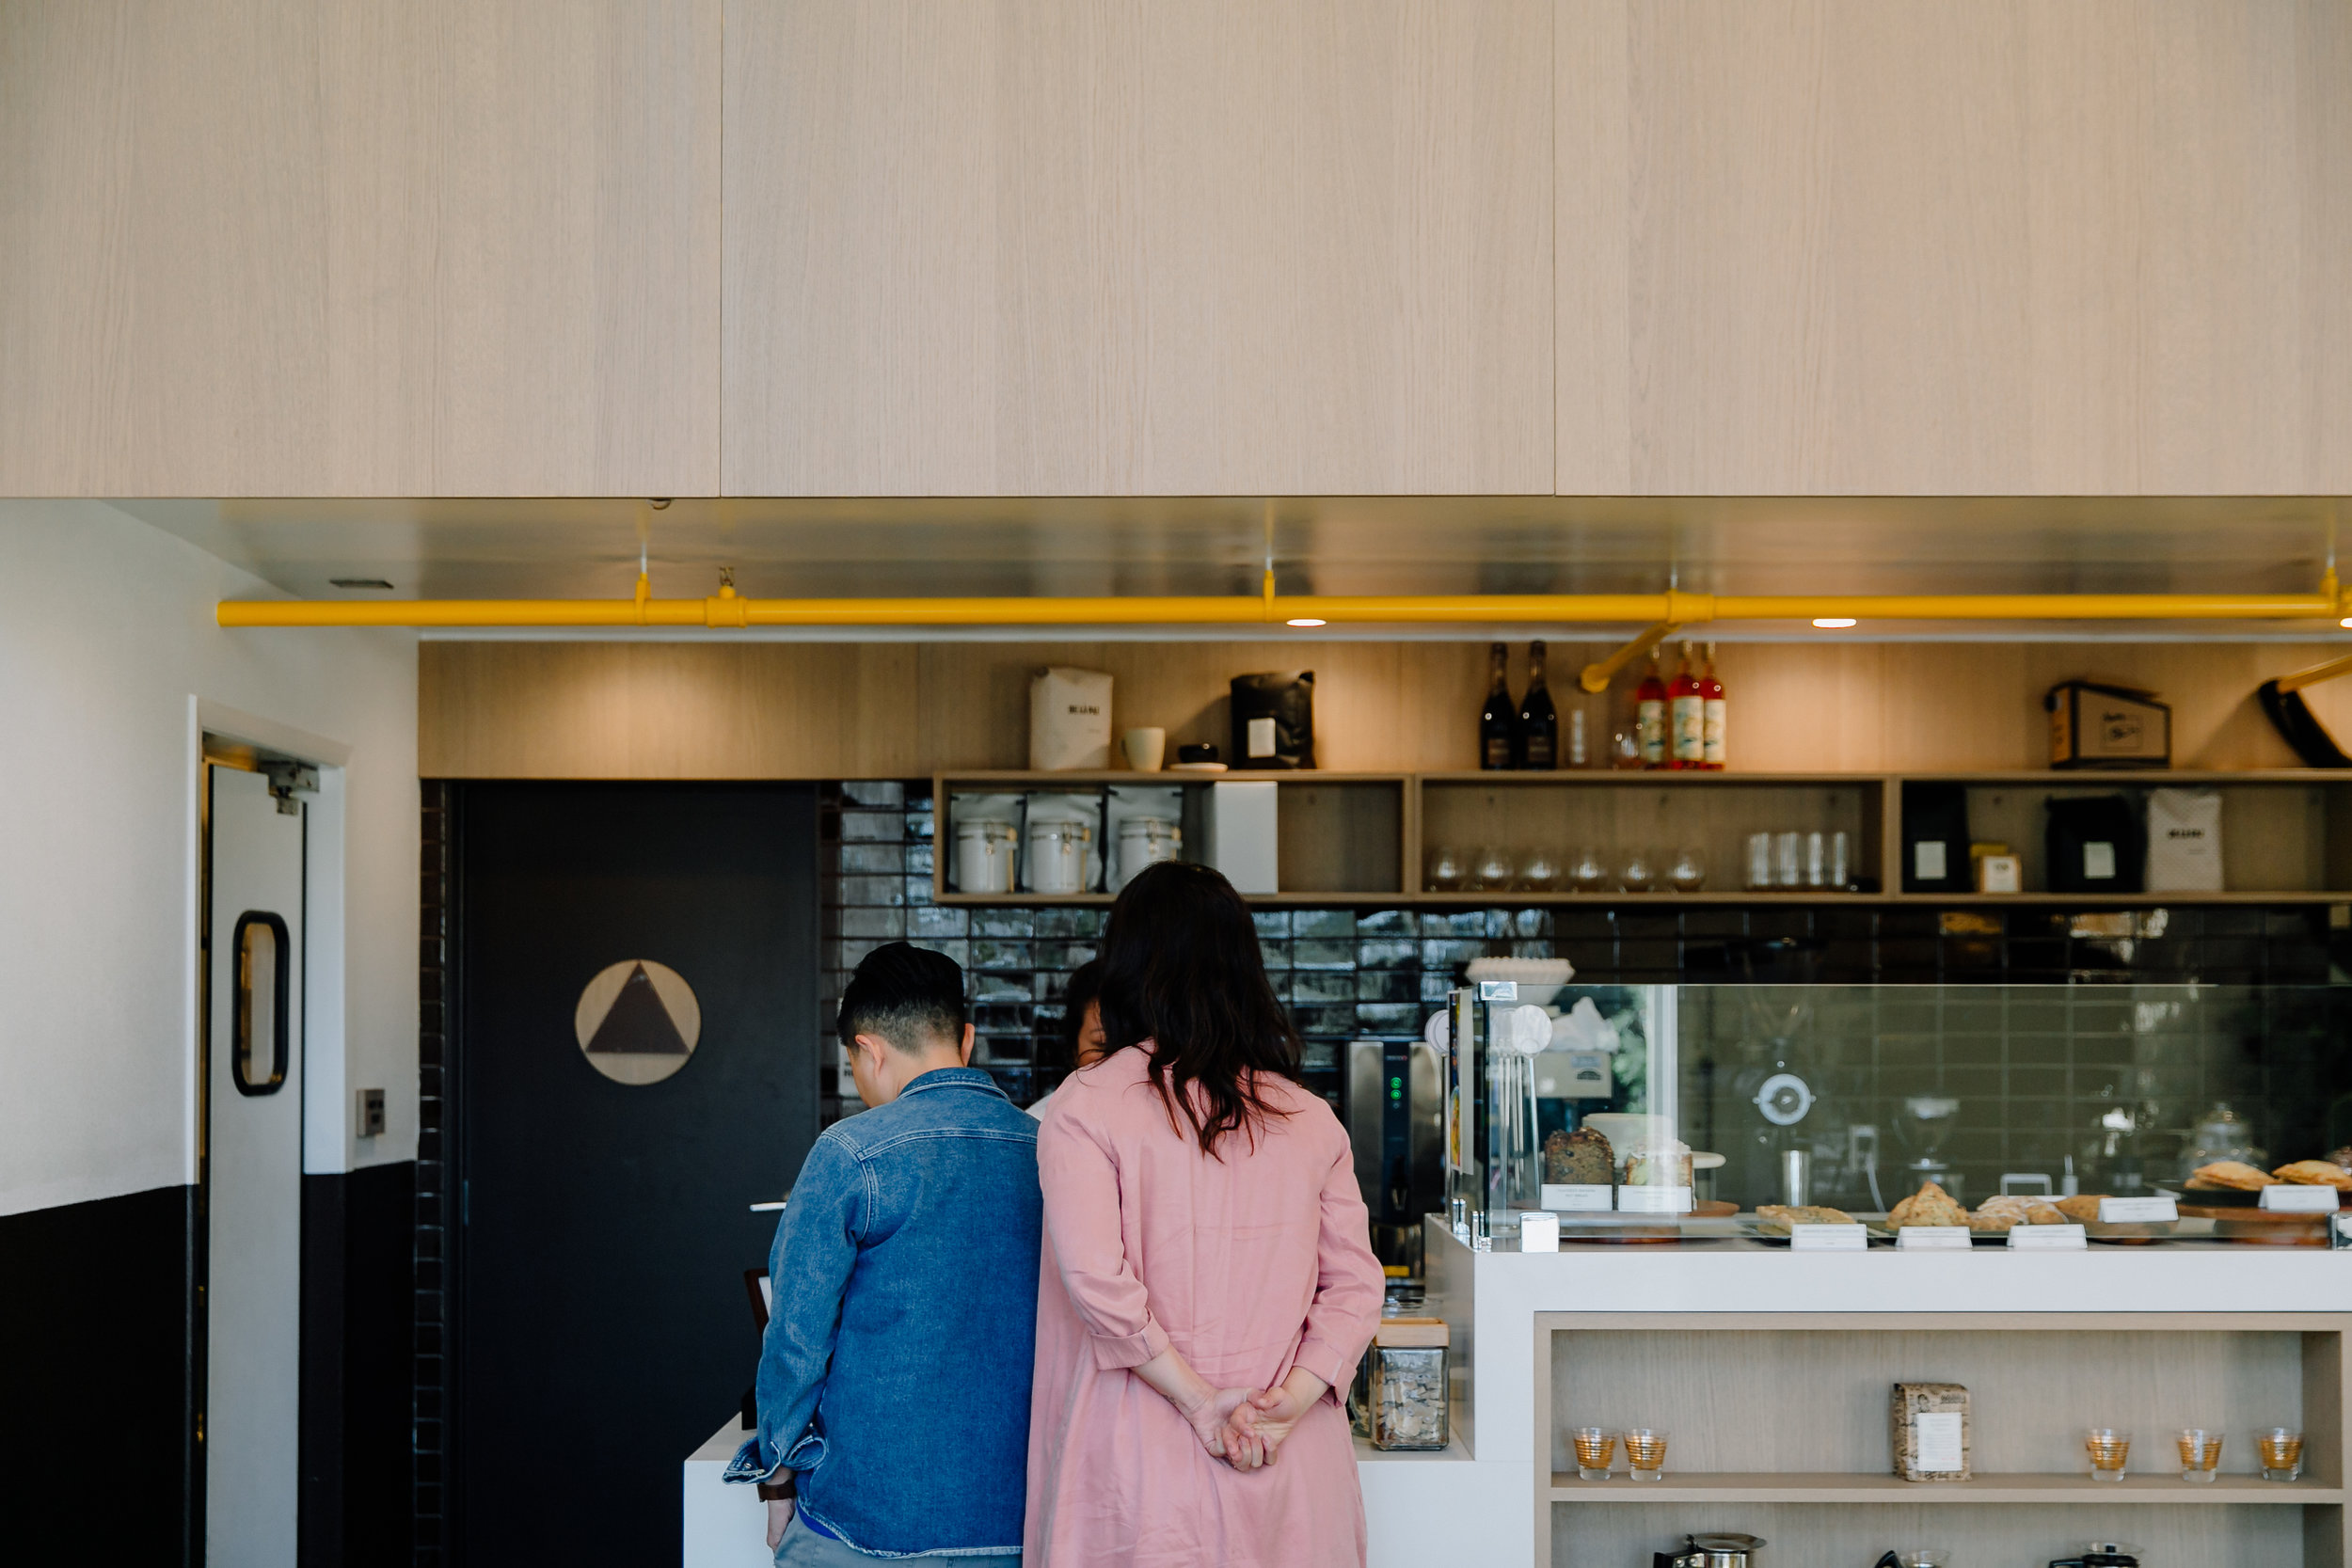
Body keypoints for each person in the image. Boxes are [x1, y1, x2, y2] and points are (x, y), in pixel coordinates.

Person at [1024, 862, 1385, 1568]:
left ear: (1125, 967)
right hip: (1290, 1467)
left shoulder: (1084, 1106)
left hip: (1139, 1475)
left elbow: (1099, 1281)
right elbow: (1356, 1289)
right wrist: (1288, 1401)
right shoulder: (1311, 1118)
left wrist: (1199, 1400)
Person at [726, 942, 1041, 1564]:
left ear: (868, 1049)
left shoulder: (849, 1151)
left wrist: (778, 1475)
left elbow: (796, 1339)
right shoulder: (1049, 1149)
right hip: (1021, 1519)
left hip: (868, 1524)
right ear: (967, 1038)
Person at [1028, 958, 1105, 1122]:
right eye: (1101, 1044)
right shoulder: (1038, 1125)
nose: (1118, 1059)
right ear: (1073, 1048)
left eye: (1129, 1046)